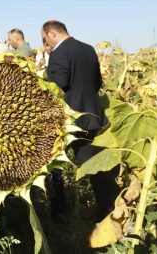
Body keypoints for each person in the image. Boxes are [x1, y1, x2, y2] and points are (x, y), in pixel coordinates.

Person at [41, 20, 119, 220]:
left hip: (70, 119)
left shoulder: (59, 53)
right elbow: (97, 82)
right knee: (96, 166)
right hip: (92, 115)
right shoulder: (87, 48)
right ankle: (110, 207)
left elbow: (57, 86)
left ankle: (64, 211)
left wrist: (45, 75)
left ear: (51, 33)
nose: (46, 43)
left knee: (54, 163)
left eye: (44, 38)